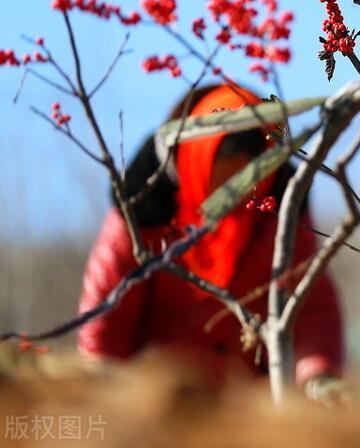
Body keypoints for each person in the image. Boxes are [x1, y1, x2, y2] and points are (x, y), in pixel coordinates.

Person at [77, 83, 345, 394]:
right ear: (196, 162)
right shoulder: (142, 211)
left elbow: (310, 306)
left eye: (246, 181)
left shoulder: (283, 207)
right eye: (223, 185)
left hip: (251, 402)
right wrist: (103, 394)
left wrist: (318, 375)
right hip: (158, 397)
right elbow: (106, 323)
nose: (236, 197)